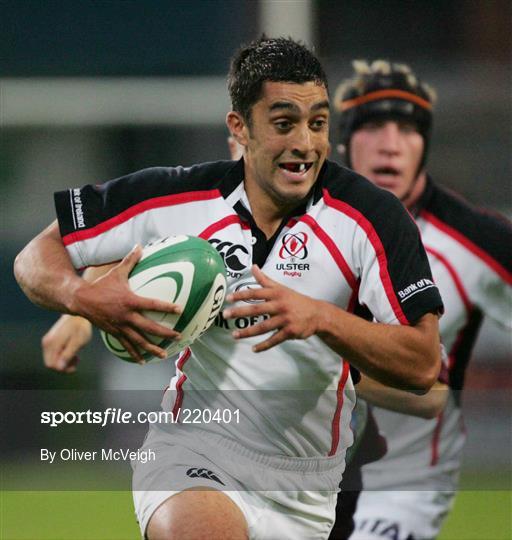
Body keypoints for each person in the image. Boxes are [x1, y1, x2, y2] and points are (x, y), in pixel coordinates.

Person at [14, 38, 444, 540]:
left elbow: (422, 365)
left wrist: (322, 318)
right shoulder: (176, 197)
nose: (305, 143)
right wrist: (81, 299)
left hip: (306, 486)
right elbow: (35, 256)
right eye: (284, 124)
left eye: (318, 123)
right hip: (193, 448)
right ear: (239, 128)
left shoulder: (372, 217)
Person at [332, 60, 512, 540]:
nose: (391, 142)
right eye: (372, 125)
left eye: (409, 128)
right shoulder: (300, 220)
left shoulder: (474, 239)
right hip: (300, 474)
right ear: (344, 141)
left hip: (401, 486)